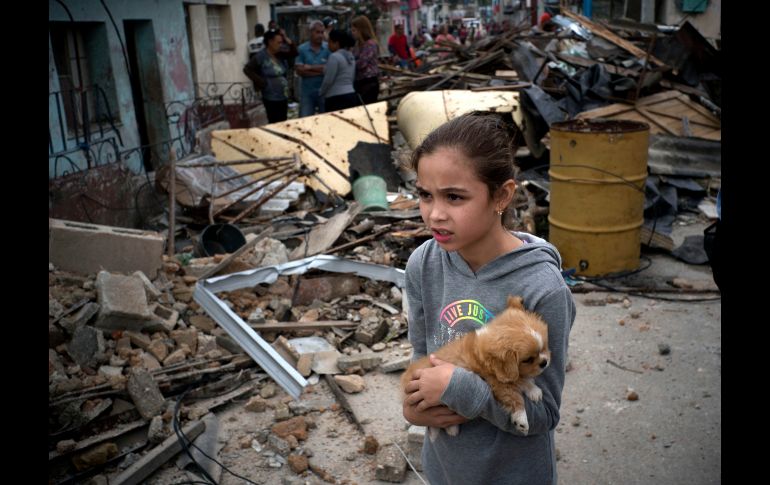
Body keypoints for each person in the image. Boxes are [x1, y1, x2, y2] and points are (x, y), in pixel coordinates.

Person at [402, 112, 576, 485]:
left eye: (454, 197)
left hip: (512, 473)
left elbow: (543, 413)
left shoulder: (542, 290)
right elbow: (421, 359)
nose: (435, 214)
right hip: (445, 469)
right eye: (424, 195)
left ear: (501, 196)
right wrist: (414, 407)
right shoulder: (424, 263)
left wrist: (459, 389)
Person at [243, 29, 291, 123]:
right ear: (270, 42)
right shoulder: (261, 56)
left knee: (283, 121)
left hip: (283, 95)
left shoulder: (280, 55)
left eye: (281, 43)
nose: (280, 45)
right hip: (271, 96)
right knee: (274, 121)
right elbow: (247, 69)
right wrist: (262, 82)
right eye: (278, 43)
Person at [295, 20, 330, 117]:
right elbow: (300, 71)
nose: (320, 35)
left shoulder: (328, 48)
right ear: (311, 32)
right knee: (304, 121)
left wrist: (309, 68)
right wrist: (322, 70)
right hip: (307, 93)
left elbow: (330, 69)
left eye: (322, 32)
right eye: (317, 32)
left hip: (324, 92)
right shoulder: (302, 49)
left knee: (327, 120)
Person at [319, 29, 360, 112]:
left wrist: (321, 92)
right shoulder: (350, 56)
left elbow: (328, 80)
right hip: (351, 95)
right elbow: (352, 77)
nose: (328, 45)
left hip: (336, 98)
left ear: (336, 43)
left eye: (330, 42)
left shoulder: (334, 57)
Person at [351, 15, 381, 105]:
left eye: (354, 30)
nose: (352, 33)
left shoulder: (370, 44)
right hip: (359, 82)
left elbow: (361, 64)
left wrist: (349, 63)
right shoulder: (357, 44)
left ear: (361, 30)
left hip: (369, 83)